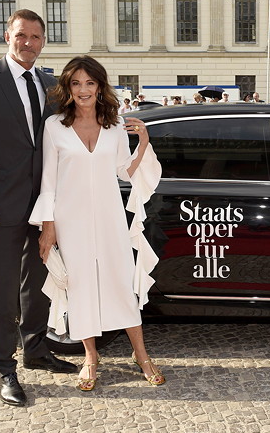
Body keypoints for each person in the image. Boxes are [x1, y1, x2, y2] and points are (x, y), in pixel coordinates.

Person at [0, 9, 76, 407]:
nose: (28, 43)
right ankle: (4, 367)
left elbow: (65, 136)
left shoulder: (51, 85)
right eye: (22, 35)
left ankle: (36, 350)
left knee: (38, 285)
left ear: (43, 42)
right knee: (2, 290)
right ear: (8, 36)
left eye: (36, 37)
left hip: (42, 205)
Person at [29, 55, 165, 391]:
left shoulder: (114, 125)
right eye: (76, 83)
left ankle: (141, 354)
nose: (83, 90)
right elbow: (48, 181)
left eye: (90, 83)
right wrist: (48, 226)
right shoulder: (55, 126)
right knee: (80, 286)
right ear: (68, 88)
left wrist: (143, 143)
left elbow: (124, 172)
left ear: (100, 87)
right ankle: (91, 357)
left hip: (109, 216)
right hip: (70, 218)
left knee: (121, 282)